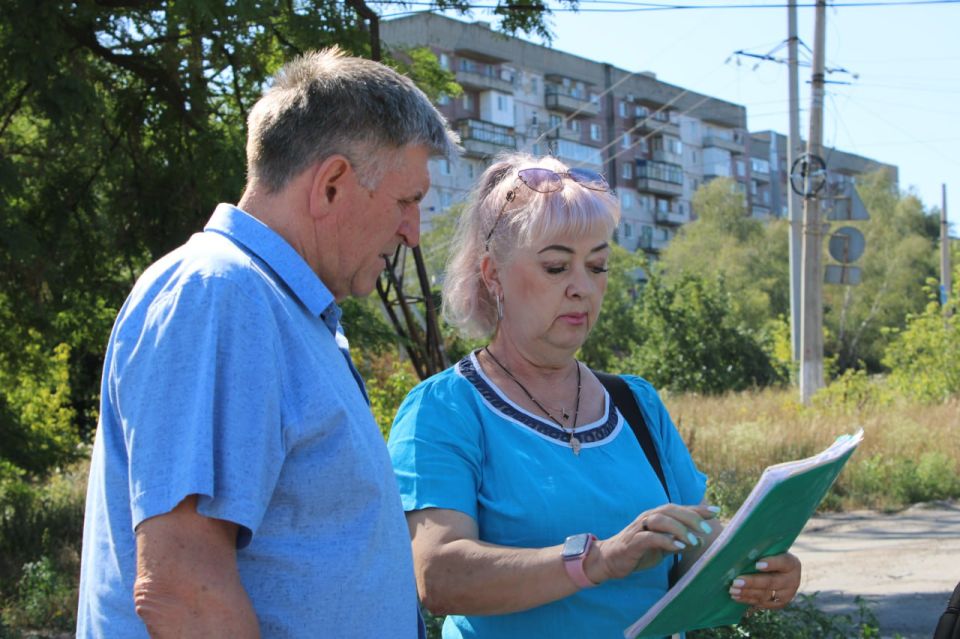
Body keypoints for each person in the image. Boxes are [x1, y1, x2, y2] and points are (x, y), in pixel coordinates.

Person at [77, 47, 458, 638]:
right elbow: (183, 594)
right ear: (332, 184)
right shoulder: (222, 294)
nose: (412, 233)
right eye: (407, 202)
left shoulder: (279, 308)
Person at [386, 152, 802, 638]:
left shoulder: (635, 403)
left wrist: (755, 569)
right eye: (557, 267)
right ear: (491, 274)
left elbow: (693, 546)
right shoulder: (446, 408)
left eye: (598, 266)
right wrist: (597, 560)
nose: (582, 287)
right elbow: (438, 576)